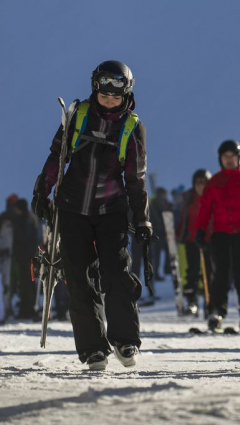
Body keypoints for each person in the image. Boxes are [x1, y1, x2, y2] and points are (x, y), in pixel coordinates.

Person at [32, 60, 150, 370]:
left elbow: (136, 179)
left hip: (111, 211)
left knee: (116, 273)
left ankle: (125, 341)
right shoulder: (78, 117)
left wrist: (142, 219)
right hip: (72, 209)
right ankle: (94, 349)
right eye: (104, 94)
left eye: (116, 96)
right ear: (95, 89)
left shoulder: (131, 126)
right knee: (79, 279)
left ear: (126, 94)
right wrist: (41, 192)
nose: (110, 100)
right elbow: (58, 155)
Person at [194, 140, 240, 331]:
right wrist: (200, 230)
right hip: (220, 234)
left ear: (238, 158)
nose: (229, 160)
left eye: (232, 156)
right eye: (225, 157)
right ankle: (216, 312)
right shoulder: (215, 182)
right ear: (220, 159)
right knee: (219, 274)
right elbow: (204, 209)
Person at [176, 169, 213, 316]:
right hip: (191, 239)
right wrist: (178, 234)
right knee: (191, 271)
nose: (200, 186)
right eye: (198, 183)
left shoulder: (212, 196)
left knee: (209, 271)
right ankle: (192, 301)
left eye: (203, 183)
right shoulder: (189, 197)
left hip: (209, 240)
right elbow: (184, 217)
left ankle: (209, 301)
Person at [13, 198, 40, 320]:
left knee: (27, 284)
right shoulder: (29, 218)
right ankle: (28, 309)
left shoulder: (26, 220)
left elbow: (23, 238)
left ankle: (28, 310)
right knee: (28, 284)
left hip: (26, 258)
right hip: (28, 257)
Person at [0, 195, 17, 323]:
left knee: (9, 284)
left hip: (12, 256)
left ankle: (9, 310)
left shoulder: (10, 218)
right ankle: (8, 310)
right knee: (7, 284)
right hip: (7, 256)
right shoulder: (5, 218)